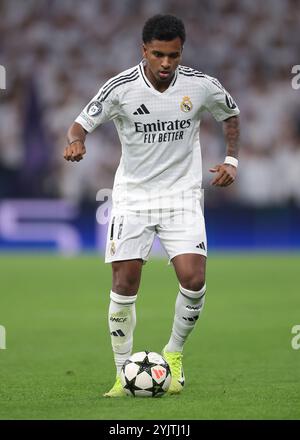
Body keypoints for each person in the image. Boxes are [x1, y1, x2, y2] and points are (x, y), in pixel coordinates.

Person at [64, 14, 240, 397]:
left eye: (173, 55)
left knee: (194, 280)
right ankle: (121, 374)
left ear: (182, 53)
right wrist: (77, 141)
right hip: (133, 198)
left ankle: (173, 354)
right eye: (158, 54)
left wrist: (231, 160)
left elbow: (230, 113)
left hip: (182, 196)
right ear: (143, 50)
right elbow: (80, 124)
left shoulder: (202, 85)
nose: (165, 63)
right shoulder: (120, 88)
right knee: (124, 284)